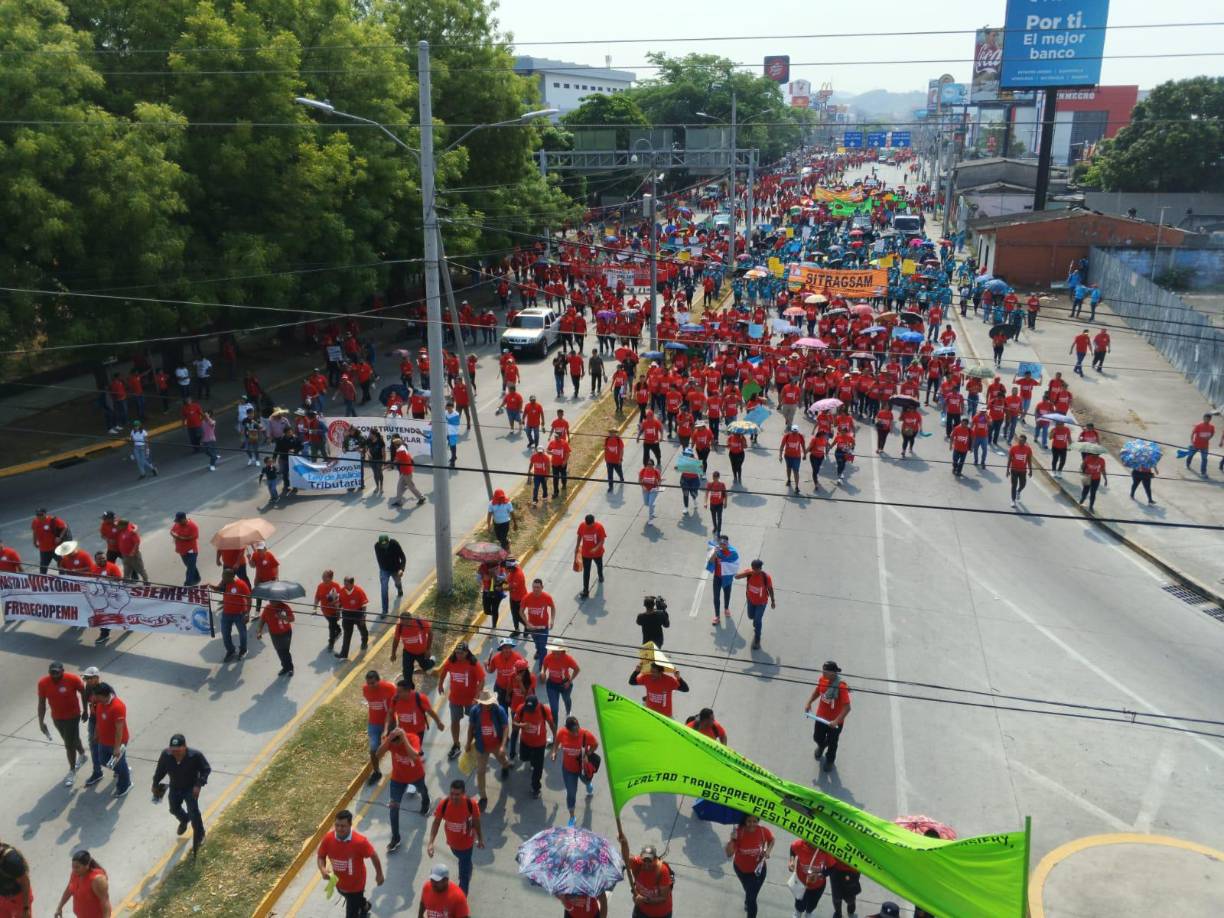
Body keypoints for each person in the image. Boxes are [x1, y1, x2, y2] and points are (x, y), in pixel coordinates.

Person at [151, 733, 210, 855]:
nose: (175, 753)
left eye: (178, 750)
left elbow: (206, 769)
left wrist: (198, 785)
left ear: (185, 747)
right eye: (173, 750)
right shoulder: (166, 755)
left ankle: (200, 835)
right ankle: (184, 819)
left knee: (194, 813)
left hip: (190, 789)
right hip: (175, 787)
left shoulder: (195, 756)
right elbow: (160, 770)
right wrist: (155, 784)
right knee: (173, 809)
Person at [317, 810, 383, 918]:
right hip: (339, 883)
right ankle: (365, 906)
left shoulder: (360, 841)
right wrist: (323, 869)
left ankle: (360, 906)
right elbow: (321, 856)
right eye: (337, 825)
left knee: (352, 909)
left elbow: (373, 855)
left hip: (356, 886)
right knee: (352, 898)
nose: (339, 829)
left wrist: (379, 874)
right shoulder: (328, 838)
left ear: (350, 825)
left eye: (343, 826)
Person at [376, 726, 429, 853]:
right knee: (393, 809)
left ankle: (426, 801)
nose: (395, 745)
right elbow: (378, 754)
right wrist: (388, 740)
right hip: (397, 779)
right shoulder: (391, 742)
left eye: (397, 741)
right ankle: (396, 837)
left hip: (416, 775)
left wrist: (404, 739)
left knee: (422, 790)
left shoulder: (412, 738)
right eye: (393, 742)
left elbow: (415, 756)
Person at [426, 780, 483, 895]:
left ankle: (461, 899)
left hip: (466, 845)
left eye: (457, 794)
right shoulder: (444, 804)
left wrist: (480, 838)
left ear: (464, 794)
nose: (454, 797)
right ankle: (468, 866)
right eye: (451, 793)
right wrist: (431, 842)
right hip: (452, 844)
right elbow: (436, 823)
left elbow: (477, 822)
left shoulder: (471, 804)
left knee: (463, 876)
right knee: (462, 859)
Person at [37, 662, 87, 787]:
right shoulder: (43, 683)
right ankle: (82, 753)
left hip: (73, 716)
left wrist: (86, 710)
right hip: (57, 718)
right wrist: (41, 722)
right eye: (52, 672)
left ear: (62, 671)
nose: (54, 675)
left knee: (69, 745)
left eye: (57, 673)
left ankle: (72, 771)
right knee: (71, 738)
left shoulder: (72, 679)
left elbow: (84, 692)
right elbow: (42, 703)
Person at [437, 644, 486, 759]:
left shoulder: (473, 663)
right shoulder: (451, 661)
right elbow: (444, 672)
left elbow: (482, 680)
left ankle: (477, 739)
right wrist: (440, 684)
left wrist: (477, 696)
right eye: (457, 653)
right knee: (454, 721)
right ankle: (456, 744)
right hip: (455, 699)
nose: (458, 655)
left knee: (475, 721)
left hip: (471, 701)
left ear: (467, 652)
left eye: (461, 653)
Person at [464, 690, 511, 808]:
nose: (487, 705)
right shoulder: (475, 711)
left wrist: (502, 745)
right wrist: (468, 743)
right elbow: (471, 728)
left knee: (503, 761)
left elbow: (505, 728)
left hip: (496, 744)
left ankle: (505, 767)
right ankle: (483, 796)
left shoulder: (499, 711)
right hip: (481, 746)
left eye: (488, 703)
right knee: (480, 772)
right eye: (484, 703)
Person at [83, 683, 130, 798]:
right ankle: (123, 769)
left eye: (96, 696)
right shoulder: (99, 704)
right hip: (103, 741)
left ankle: (125, 784)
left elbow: (120, 729)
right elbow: (99, 720)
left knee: (119, 764)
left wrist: (117, 747)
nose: (94, 698)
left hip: (117, 743)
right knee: (103, 760)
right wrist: (96, 734)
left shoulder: (118, 706)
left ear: (104, 695)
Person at [804, 661, 851, 773]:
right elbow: (817, 691)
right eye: (823, 670)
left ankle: (830, 760)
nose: (823, 673)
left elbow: (847, 707)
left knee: (833, 743)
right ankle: (821, 745)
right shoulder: (822, 679)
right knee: (817, 737)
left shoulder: (841, 686)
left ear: (833, 673)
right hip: (821, 718)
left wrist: (836, 721)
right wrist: (809, 702)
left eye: (825, 671)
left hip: (835, 723)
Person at [725, 812, 773, 918]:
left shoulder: (763, 831)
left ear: (758, 821)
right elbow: (729, 853)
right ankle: (748, 900)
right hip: (741, 870)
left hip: (758, 871)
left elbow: (772, 840)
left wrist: (768, 851)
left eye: (755, 821)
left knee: (752, 898)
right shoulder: (739, 833)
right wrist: (732, 839)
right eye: (749, 821)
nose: (752, 824)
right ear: (744, 821)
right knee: (749, 891)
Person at [552, 715, 598, 827]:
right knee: (571, 793)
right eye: (573, 732)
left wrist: (587, 754)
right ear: (567, 729)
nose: (576, 733)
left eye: (577, 729)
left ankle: (588, 784)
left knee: (586, 781)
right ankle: (572, 816)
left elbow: (595, 744)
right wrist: (554, 752)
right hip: (568, 770)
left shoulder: (585, 734)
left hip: (582, 768)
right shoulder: (562, 733)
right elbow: (556, 743)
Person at [617, 831, 674, 918]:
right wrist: (624, 842)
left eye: (650, 861)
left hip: (661, 914)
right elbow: (626, 857)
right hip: (641, 910)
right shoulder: (637, 863)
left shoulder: (662, 871)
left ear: (655, 859)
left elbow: (663, 897)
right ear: (641, 857)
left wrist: (644, 899)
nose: (646, 864)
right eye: (644, 860)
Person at [511, 693, 554, 798]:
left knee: (538, 767)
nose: (529, 711)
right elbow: (513, 724)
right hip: (525, 742)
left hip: (540, 744)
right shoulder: (521, 709)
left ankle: (536, 788)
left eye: (532, 709)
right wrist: (521, 725)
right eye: (528, 709)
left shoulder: (544, 709)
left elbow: (552, 724)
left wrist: (555, 738)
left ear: (537, 705)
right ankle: (532, 760)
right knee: (524, 758)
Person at [53, 849, 109, 918]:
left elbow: (105, 902)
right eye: (73, 867)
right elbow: (69, 890)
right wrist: (60, 907)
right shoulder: (75, 874)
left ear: (87, 865)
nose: (74, 870)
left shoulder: (97, 880)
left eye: (77, 867)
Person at [734, 559, 776, 650]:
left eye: (756, 569)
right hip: (750, 601)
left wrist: (773, 601)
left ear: (760, 568)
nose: (754, 570)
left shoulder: (766, 577)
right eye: (753, 568)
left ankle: (757, 639)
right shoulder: (749, 573)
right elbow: (736, 577)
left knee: (757, 620)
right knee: (750, 616)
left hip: (761, 603)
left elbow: (770, 589)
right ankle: (756, 622)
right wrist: (747, 573)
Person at [214, 568, 252, 661]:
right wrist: (209, 586)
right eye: (222, 577)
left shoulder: (241, 584)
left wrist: (247, 613)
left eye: (224, 577)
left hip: (239, 614)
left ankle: (243, 650)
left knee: (242, 634)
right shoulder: (224, 582)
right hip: (226, 613)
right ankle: (231, 650)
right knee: (225, 633)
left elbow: (249, 599)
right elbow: (218, 589)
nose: (222, 579)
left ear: (231, 577)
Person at [541, 638, 580, 725]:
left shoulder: (568, 659)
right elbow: (544, 666)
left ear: (562, 650)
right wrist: (542, 672)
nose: (555, 652)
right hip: (552, 685)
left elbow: (577, 669)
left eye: (558, 650)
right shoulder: (548, 658)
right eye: (554, 650)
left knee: (566, 699)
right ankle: (555, 733)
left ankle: (568, 712)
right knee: (554, 709)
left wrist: (569, 681)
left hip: (565, 684)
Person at [521, 578, 557, 670]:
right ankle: (538, 650)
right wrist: (527, 623)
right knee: (537, 643)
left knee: (543, 648)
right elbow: (521, 612)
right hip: (532, 628)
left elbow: (552, 607)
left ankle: (542, 667)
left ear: (542, 587)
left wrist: (552, 620)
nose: (535, 589)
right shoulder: (527, 598)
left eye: (538, 587)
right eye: (534, 587)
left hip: (543, 627)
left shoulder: (547, 597)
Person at [789, 838, 831, 916]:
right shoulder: (799, 844)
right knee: (799, 902)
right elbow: (792, 849)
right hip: (801, 882)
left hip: (818, 885)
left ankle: (809, 913)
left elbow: (832, 868)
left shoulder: (826, 850)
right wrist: (791, 861)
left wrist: (818, 875)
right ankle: (798, 912)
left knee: (813, 903)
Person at [255, 599, 295, 676]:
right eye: (270, 600)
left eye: (273, 600)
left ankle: (290, 668)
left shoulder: (285, 607)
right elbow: (262, 620)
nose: (271, 601)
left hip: (286, 633)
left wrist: (282, 617)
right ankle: (285, 667)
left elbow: (292, 619)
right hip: (274, 634)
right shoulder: (267, 608)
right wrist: (259, 631)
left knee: (285, 651)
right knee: (279, 651)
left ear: (278, 600)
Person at [391, 611, 434, 680]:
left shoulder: (421, 623)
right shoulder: (399, 626)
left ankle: (432, 660)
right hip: (408, 652)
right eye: (403, 623)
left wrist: (428, 649)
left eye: (407, 623)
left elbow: (430, 634)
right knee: (406, 672)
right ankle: (409, 687)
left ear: (411, 619)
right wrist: (393, 653)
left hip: (421, 652)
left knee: (426, 666)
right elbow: (396, 640)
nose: (405, 625)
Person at [336, 575, 370, 660]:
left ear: (352, 584)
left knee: (362, 629)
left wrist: (363, 617)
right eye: (344, 583)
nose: (345, 585)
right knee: (347, 634)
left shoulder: (359, 591)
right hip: (346, 614)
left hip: (358, 613)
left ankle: (364, 642)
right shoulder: (342, 591)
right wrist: (338, 611)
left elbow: (364, 604)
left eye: (346, 584)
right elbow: (339, 603)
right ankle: (343, 654)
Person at [373, 535, 406, 618]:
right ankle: (384, 610)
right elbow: (380, 560)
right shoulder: (377, 546)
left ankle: (399, 588)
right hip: (384, 569)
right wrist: (383, 571)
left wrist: (401, 569)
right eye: (382, 545)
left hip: (395, 568)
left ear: (389, 542)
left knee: (397, 582)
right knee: (384, 589)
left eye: (386, 544)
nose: (384, 546)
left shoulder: (394, 544)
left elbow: (403, 557)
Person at [574, 513, 606, 598]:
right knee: (586, 572)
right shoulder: (582, 525)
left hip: (597, 553)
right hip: (586, 553)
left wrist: (596, 549)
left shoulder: (599, 527)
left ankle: (600, 575)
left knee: (599, 565)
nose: (588, 526)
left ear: (593, 522)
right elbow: (579, 536)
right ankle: (585, 591)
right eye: (587, 524)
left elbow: (602, 540)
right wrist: (577, 547)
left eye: (590, 525)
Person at [31, 507, 69, 574]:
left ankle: (63, 578)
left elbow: (65, 527)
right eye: (37, 515)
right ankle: (43, 578)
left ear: (45, 514)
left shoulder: (53, 520)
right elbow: (34, 531)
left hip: (55, 547)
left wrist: (60, 537)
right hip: (43, 549)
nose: (39, 516)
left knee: (61, 563)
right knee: (43, 566)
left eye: (41, 514)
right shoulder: (35, 521)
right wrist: (34, 541)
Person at [390, 437, 427, 507]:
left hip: (406, 471)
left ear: (396, 445)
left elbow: (395, 461)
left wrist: (385, 467)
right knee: (399, 486)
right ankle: (399, 501)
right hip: (405, 470)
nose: (393, 446)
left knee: (411, 486)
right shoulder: (403, 447)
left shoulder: (400, 451)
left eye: (393, 444)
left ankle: (421, 498)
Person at [170, 512, 201, 586]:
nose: (178, 523)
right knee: (189, 565)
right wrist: (174, 534)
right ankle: (197, 577)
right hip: (181, 551)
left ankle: (187, 584)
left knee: (190, 569)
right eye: (177, 521)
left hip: (191, 551)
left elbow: (193, 537)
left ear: (184, 519)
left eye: (179, 521)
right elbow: (171, 531)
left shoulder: (193, 526)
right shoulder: (177, 524)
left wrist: (180, 538)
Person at [1007, 434, 1034, 507]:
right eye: (1019, 440)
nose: (1020, 442)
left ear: (1025, 441)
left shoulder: (1028, 449)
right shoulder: (1013, 448)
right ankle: (1013, 500)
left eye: (1022, 441)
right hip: (1014, 470)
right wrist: (1007, 470)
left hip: (1023, 471)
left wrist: (1031, 470)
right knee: (1014, 485)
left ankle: (1018, 491)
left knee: (1023, 484)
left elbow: (1029, 460)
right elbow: (1009, 459)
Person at [638, 457, 662, 523]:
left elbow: (659, 480)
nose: (649, 466)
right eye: (648, 464)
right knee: (646, 503)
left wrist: (657, 487)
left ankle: (650, 519)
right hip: (645, 490)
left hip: (653, 490)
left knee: (650, 504)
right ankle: (652, 507)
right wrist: (643, 486)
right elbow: (639, 480)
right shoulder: (642, 471)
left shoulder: (656, 472)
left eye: (650, 464)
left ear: (653, 465)